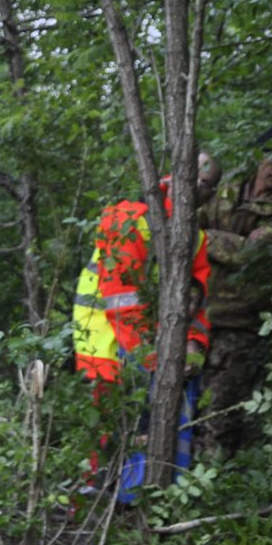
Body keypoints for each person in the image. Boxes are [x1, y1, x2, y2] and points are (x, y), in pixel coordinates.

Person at [72, 163, 216, 501]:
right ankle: (95, 508)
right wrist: (156, 360)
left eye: (207, 183)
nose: (197, 186)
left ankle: (141, 501)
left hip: (150, 345)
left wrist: (193, 347)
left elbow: (199, 302)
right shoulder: (129, 218)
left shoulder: (195, 237)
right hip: (105, 338)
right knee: (110, 429)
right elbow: (122, 301)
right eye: (193, 175)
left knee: (152, 425)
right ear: (171, 176)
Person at [201, 123, 272, 454]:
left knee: (221, 418)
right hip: (197, 317)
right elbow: (184, 224)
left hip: (241, 326)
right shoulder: (227, 188)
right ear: (260, 157)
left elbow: (251, 254)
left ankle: (215, 487)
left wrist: (205, 239)